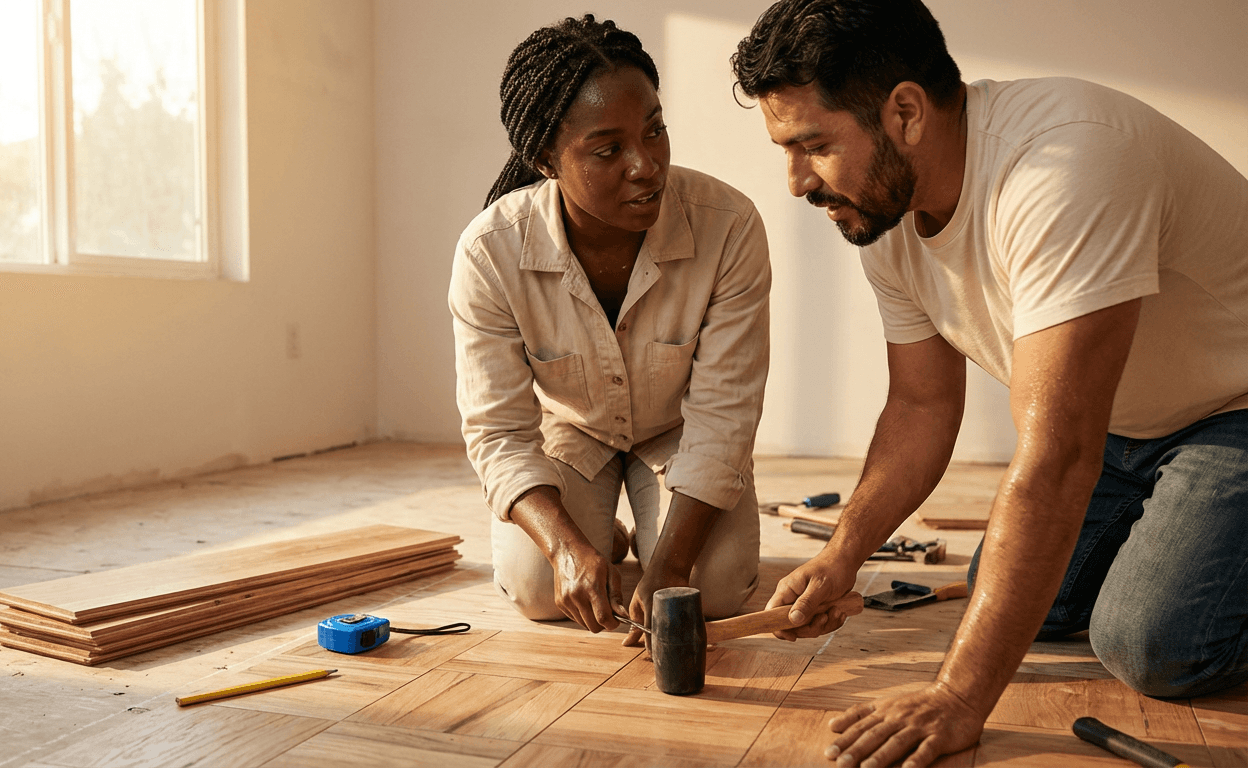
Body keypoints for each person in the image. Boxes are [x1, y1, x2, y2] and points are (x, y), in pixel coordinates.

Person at [730, 0, 1248, 766]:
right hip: (1131, 428)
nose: (797, 180)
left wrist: (961, 696)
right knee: (1011, 600)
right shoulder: (885, 212)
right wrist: (841, 557)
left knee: (1150, 645)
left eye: (813, 145)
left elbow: (1061, 457)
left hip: (1232, 410)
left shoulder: (1066, 164)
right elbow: (920, 405)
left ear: (905, 111)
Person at [450, 15, 806, 644]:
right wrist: (564, 548)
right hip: (575, 434)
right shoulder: (491, 252)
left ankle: (648, 530)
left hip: (680, 434)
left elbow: (725, 416)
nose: (645, 166)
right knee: (537, 589)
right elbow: (498, 431)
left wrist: (668, 563)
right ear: (544, 159)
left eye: (655, 131)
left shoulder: (728, 227)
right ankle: (602, 534)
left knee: (713, 589)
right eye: (608, 149)